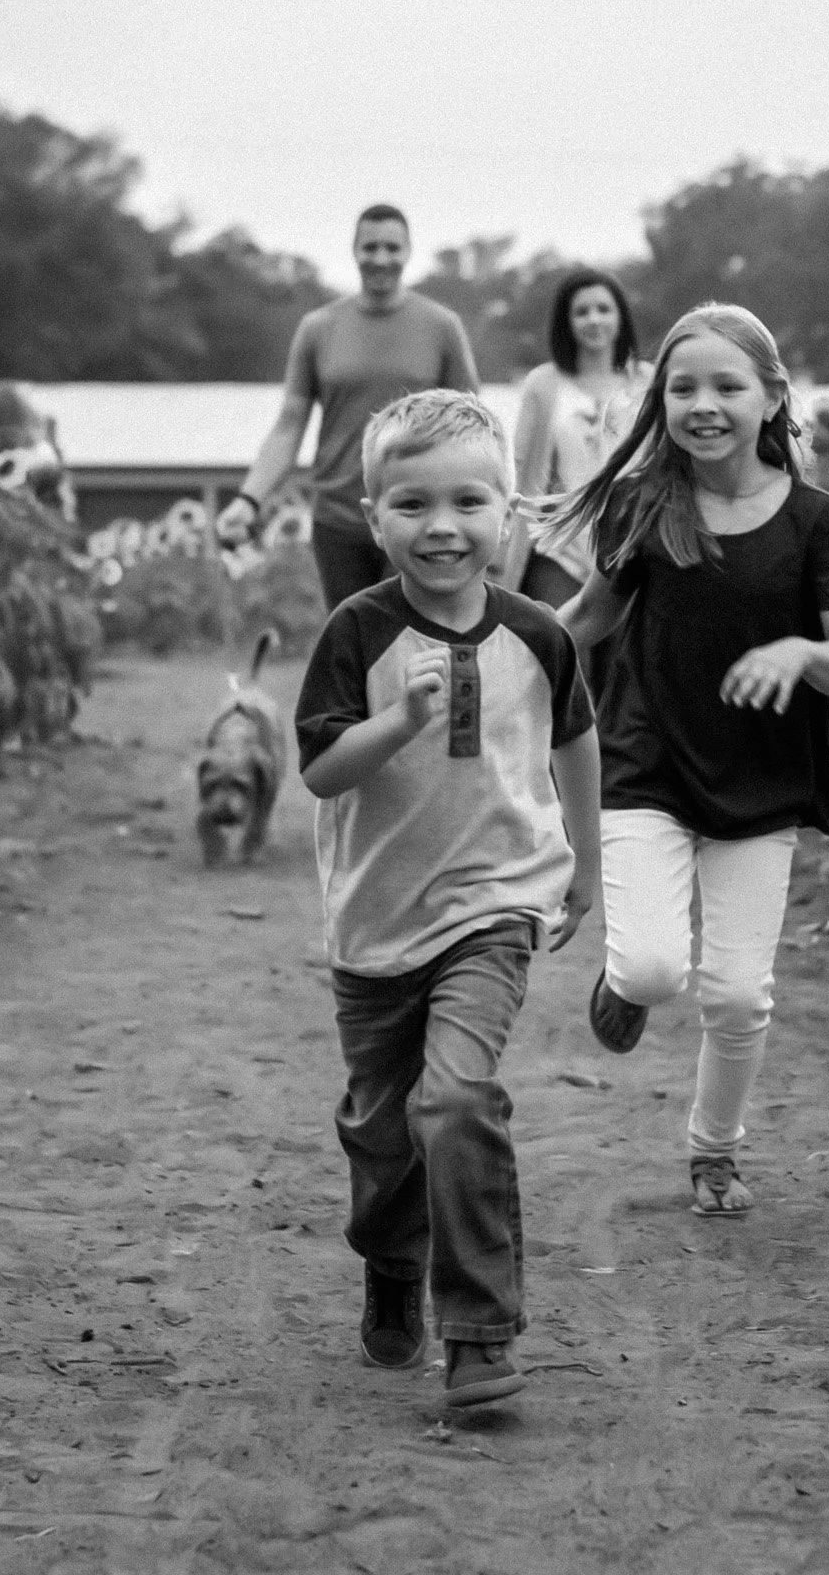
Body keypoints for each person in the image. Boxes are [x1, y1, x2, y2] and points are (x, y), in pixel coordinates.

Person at [294, 389, 601, 1408]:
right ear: (375, 517)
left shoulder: (537, 633)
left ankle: (477, 1331)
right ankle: (391, 1259)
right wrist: (401, 720)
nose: (443, 525)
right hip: (377, 924)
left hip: (494, 905)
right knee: (383, 1137)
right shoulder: (357, 631)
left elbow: (575, 738)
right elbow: (325, 770)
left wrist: (586, 864)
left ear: (509, 515)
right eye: (414, 503)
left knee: (456, 1095)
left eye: (470, 500)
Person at [555, 303, 829, 1218]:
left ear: (772, 397)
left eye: (726, 386)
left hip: (761, 783)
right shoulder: (645, 503)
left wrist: (802, 654)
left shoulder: (819, 523)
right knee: (656, 970)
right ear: (659, 400)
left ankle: (713, 1154)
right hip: (644, 765)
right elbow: (586, 618)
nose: (703, 404)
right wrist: (504, 658)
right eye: (681, 386)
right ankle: (625, 984)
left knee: (736, 996)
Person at [216, 205, 478, 608]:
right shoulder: (318, 329)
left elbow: (472, 429)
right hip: (339, 519)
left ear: (408, 252)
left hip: (417, 514)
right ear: (354, 251)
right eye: (370, 247)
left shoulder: (442, 327)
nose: (381, 259)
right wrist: (248, 500)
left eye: (392, 248)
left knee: (409, 639)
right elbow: (289, 426)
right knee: (350, 645)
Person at [502, 268, 649, 611]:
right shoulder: (544, 384)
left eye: (603, 309)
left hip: (633, 545)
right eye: (582, 312)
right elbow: (519, 465)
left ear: (620, 316)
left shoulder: (649, 381)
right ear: (566, 322)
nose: (593, 319)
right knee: (560, 647)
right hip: (560, 549)